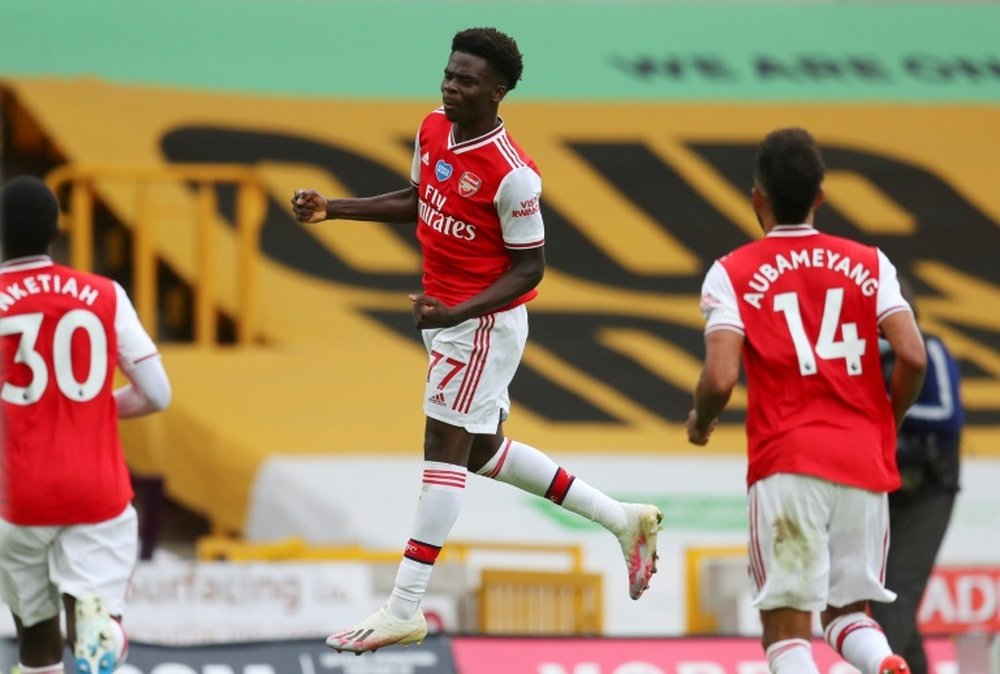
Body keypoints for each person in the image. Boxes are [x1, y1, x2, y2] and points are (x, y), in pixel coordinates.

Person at [291, 27, 662, 654]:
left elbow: (530, 269)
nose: (450, 85)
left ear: (498, 91)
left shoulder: (514, 176)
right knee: (478, 450)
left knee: (442, 444)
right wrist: (335, 208)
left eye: (466, 80)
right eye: (448, 73)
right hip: (449, 317)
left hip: (481, 324)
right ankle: (623, 519)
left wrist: (457, 311)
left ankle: (405, 606)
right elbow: (419, 198)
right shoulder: (433, 128)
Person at [686, 127, 927, 674]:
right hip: (864, 460)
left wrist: (701, 422)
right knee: (849, 615)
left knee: (786, 625)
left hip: (788, 460)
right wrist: (883, 423)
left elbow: (720, 378)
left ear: (757, 199)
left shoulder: (732, 273)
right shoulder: (870, 262)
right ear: (820, 195)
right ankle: (885, 662)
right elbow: (913, 356)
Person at [0, 176, 172, 674]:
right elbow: (157, 393)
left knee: (34, 635)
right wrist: (91, 408)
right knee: (92, 615)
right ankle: (97, 628)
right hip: (96, 490)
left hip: (18, 495)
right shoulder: (105, 294)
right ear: (56, 232)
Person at [870, 280, 963, 674]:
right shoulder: (868, 358)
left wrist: (886, 413)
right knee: (883, 596)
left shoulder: (932, 350)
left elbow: (947, 416)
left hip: (928, 491)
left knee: (897, 595)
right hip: (884, 493)